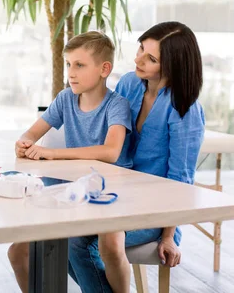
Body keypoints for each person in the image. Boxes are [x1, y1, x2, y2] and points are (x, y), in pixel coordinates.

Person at [67, 21, 205, 293]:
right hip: (115, 197)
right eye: (141, 48)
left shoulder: (185, 110)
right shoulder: (130, 83)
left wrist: (168, 236)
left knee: (79, 244)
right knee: (55, 238)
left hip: (156, 211)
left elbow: (181, 181)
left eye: (151, 58)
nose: (137, 59)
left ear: (172, 66)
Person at [8, 31, 132, 293]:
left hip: (110, 195)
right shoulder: (66, 99)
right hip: (74, 191)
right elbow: (31, 133)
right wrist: (24, 142)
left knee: (72, 243)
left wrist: (51, 154)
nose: (71, 73)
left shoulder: (117, 105)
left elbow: (111, 152)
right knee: (17, 251)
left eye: (79, 65)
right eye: (68, 65)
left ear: (104, 69)